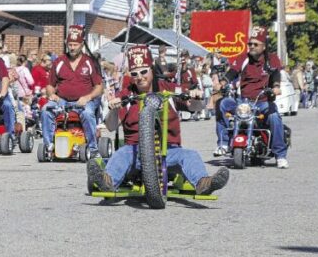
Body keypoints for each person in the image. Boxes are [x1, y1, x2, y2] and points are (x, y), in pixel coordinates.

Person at [86, 45, 229, 195]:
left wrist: (196, 96)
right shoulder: (126, 95)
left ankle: (204, 183)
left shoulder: (169, 89)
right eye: (135, 74)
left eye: (143, 72)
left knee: (190, 155)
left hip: (168, 150)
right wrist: (113, 109)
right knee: (121, 154)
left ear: (152, 69)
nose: (139, 77)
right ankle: (107, 181)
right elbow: (111, 126)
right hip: (135, 152)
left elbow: (195, 106)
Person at [214, 26, 288, 169]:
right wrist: (221, 83)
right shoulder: (244, 58)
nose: (252, 47)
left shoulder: (271, 59)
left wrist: (276, 87)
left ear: (264, 46)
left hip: (262, 102)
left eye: (255, 44)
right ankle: (223, 143)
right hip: (243, 102)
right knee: (222, 104)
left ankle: (280, 155)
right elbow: (232, 73)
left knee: (274, 116)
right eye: (250, 44)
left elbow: (275, 74)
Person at [40, 25, 104, 156]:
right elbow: (50, 85)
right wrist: (51, 94)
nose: (72, 47)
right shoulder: (59, 62)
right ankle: (49, 146)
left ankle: (93, 148)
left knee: (87, 113)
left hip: (85, 101)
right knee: (46, 109)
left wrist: (87, 97)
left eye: (75, 44)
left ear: (82, 44)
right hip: (62, 100)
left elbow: (99, 87)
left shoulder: (89, 62)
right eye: (70, 44)